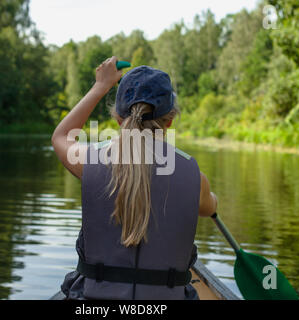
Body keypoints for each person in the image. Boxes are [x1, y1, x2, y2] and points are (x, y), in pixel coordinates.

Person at [52, 56, 218, 300]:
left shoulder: (90, 163)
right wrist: (210, 198)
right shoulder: (196, 178)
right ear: (170, 121)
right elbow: (209, 206)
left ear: (118, 119)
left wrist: (101, 86)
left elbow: (61, 136)